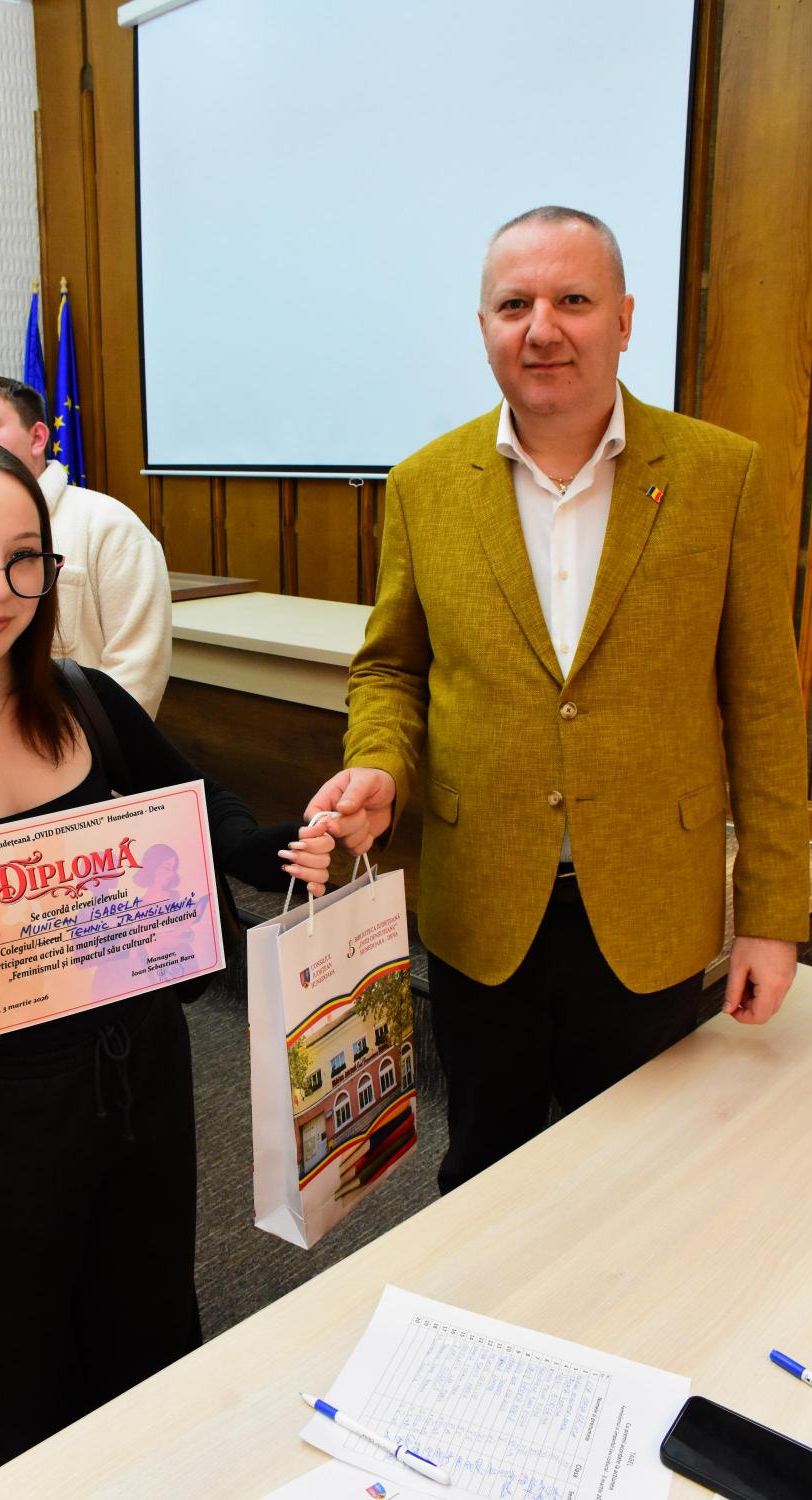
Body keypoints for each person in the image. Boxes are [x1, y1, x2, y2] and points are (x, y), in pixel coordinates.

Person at [0, 438, 333, 1491]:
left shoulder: (85, 698)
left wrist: (295, 843)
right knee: (8, 1365)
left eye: (25, 559)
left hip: (141, 1082)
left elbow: (206, 812)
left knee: (149, 1330)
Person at [308, 206, 809, 1194]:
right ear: (484, 327)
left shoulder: (722, 475)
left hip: (651, 906)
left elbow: (763, 706)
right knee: (482, 1169)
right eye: (514, 305)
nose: (542, 328)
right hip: (481, 903)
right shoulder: (424, 485)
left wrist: (772, 915)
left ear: (623, 320)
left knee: (638, 1183)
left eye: (572, 300)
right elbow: (392, 669)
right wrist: (378, 764)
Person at [0, 375, 172, 717]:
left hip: (76, 736)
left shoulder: (109, 525)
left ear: (38, 438)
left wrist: (76, 741)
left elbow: (139, 669)